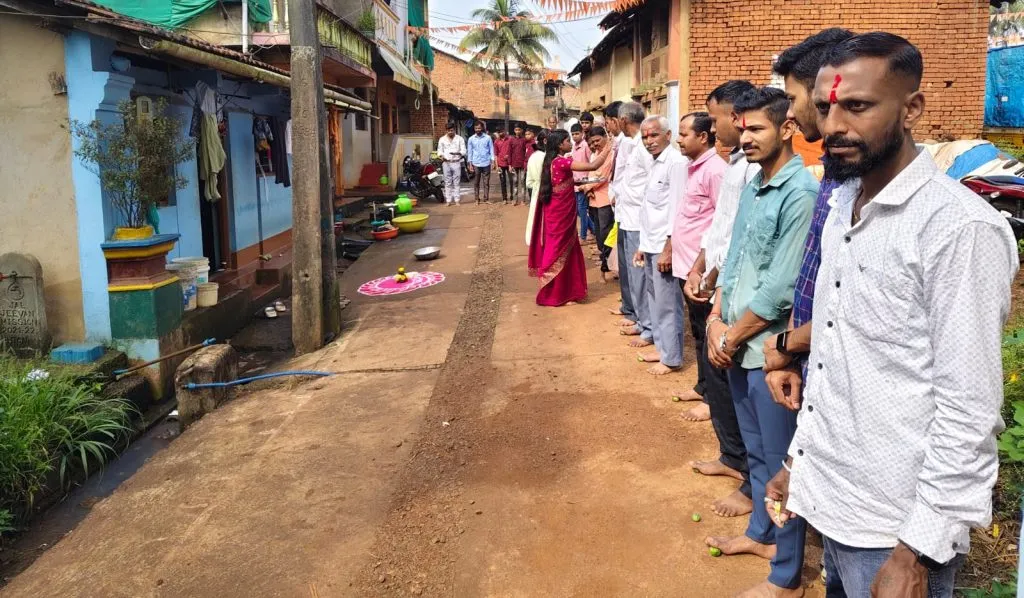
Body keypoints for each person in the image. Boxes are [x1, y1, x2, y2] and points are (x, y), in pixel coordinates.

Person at [764, 32, 1018, 598]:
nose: (834, 125)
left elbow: (969, 408)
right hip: (835, 502)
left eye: (856, 106)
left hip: (895, 529)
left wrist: (916, 551)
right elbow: (833, 360)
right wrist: (797, 464)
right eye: (827, 107)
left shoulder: (957, 229)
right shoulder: (843, 209)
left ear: (912, 108)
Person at [704, 86, 818, 598]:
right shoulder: (753, 183)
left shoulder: (800, 193)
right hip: (734, 340)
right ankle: (759, 534)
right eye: (741, 127)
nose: (744, 137)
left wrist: (732, 332)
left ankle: (786, 574)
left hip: (768, 353)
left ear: (787, 128)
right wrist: (714, 317)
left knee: (778, 463)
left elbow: (780, 286)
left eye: (757, 129)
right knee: (754, 450)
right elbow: (737, 255)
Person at [760, 28, 854, 417]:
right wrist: (797, 357)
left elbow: (850, 310)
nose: (791, 113)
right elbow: (816, 275)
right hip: (810, 365)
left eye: (793, 99)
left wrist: (786, 345)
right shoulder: (835, 174)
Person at [683, 80, 760, 519]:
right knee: (720, 379)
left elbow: (744, 243)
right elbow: (718, 229)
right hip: (715, 281)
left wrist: (715, 282)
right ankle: (732, 456)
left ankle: (751, 476)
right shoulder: (734, 167)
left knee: (742, 391)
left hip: (733, 292)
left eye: (716, 118)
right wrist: (699, 266)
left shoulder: (754, 170)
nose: (717, 128)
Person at [671, 112, 727, 420]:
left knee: (708, 333)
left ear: (702, 137)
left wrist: (704, 269)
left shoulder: (716, 170)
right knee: (697, 331)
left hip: (704, 271)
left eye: (684, 134)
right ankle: (703, 386)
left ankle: (711, 400)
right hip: (688, 266)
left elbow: (721, 223)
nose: (679, 139)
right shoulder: (694, 168)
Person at [527, 129, 611, 306]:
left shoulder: (552, 162)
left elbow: (562, 182)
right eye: (567, 141)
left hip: (557, 212)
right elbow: (593, 166)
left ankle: (568, 291)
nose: (570, 143)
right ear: (559, 144)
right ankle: (555, 293)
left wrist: (583, 183)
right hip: (560, 214)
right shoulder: (562, 161)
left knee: (566, 249)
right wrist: (609, 147)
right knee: (559, 248)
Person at [633, 116, 688, 375]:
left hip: (664, 246)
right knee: (654, 300)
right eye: (645, 137)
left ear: (668, 135)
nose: (649, 141)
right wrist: (643, 245)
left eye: (653, 135)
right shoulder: (656, 163)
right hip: (651, 242)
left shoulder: (675, 164)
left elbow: (677, 209)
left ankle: (672, 357)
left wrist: (668, 248)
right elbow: (650, 209)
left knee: (667, 304)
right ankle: (662, 347)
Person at [613, 102, 654, 349]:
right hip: (628, 218)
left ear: (624, 119)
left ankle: (648, 327)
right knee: (634, 275)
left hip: (640, 221)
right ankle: (641, 320)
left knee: (641, 276)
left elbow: (654, 183)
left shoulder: (644, 146)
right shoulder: (633, 144)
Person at [602, 101, 635, 323]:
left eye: (607, 123)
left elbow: (629, 176)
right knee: (624, 263)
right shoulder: (619, 142)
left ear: (616, 120)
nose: (607, 128)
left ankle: (633, 310)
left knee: (631, 267)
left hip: (631, 211)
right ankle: (628, 305)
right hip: (622, 209)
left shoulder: (632, 144)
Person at [579, 126, 615, 280]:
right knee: (600, 236)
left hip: (605, 200)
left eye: (597, 141)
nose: (595, 145)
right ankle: (607, 265)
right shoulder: (596, 154)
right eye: (592, 143)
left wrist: (586, 185)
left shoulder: (610, 153)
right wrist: (586, 185)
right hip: (593, 199)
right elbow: (592, 174)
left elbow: (603, 176)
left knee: (607, 236)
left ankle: (608, 267)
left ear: (605, 136)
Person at [570, 124, 595, 244]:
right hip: (575, 182)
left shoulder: (586, 146)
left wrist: (589, 184)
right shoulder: (574, 146)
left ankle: (584, 236)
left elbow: (592, 163)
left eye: (577, 134)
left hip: (584, 182)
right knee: (579, 210)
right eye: (573, 134)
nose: (575, 136)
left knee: (582, 209)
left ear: (582, 133)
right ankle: (594, 230)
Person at [524, 130, 548, 244]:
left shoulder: (533, 156)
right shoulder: (546, 157)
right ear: (545, 141)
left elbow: (528, 182)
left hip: (536, 191)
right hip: (546, 191)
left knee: (535, 218)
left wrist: (536, 185)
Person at [437, 121, 466, 206]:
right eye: (449, 130)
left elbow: (464, 150)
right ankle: (448, 200)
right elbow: (439, 150)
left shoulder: (459, 139)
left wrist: (458, 153)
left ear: (455, 130)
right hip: (446, 163)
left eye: (452, 130)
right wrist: (441, 156)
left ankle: (457, 200)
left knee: (456, 182)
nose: (450, 132)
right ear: (446, 130)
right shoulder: (442, 139)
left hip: (456, 162)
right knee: (447, 182)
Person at [466, 121, 495, 204]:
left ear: (482, 128)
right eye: (476, 128)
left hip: (486, 162)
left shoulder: (488, 138)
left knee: (486, 182)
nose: (478, 129)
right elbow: (470, 152)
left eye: (479, 128)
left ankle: (486, 199)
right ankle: (476, 199)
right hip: (476, 163)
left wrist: (492, 162)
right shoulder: (471, 139)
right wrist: (470, 164)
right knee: (476, 182)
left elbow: (491, 150)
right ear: (474, 129)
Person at [509, 124, 529, 206]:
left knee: (523, 181)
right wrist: (509, 165)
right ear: (514, 130)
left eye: (519, 130)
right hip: (514, 164)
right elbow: (509, 152)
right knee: (515, 182)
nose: (517, 131)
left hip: (523, 164)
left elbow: (527, 152)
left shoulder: (524, 140)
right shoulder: (511, 140)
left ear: (521, 131)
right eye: (516, 130)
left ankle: (523, 200)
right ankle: (514, 199)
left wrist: (526, 163)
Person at [495, 127, 512, 204]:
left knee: (512, 181)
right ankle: (504, 199)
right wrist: (496, 165)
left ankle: (512, 198)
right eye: (499, 132)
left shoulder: (510, 140)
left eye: (502, 131)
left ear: (504, 131)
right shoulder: (496, 142)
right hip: (500, 164)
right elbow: (495, 154)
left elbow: (512, 150)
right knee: (503, 182)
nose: (501, 133)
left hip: (509, 164)